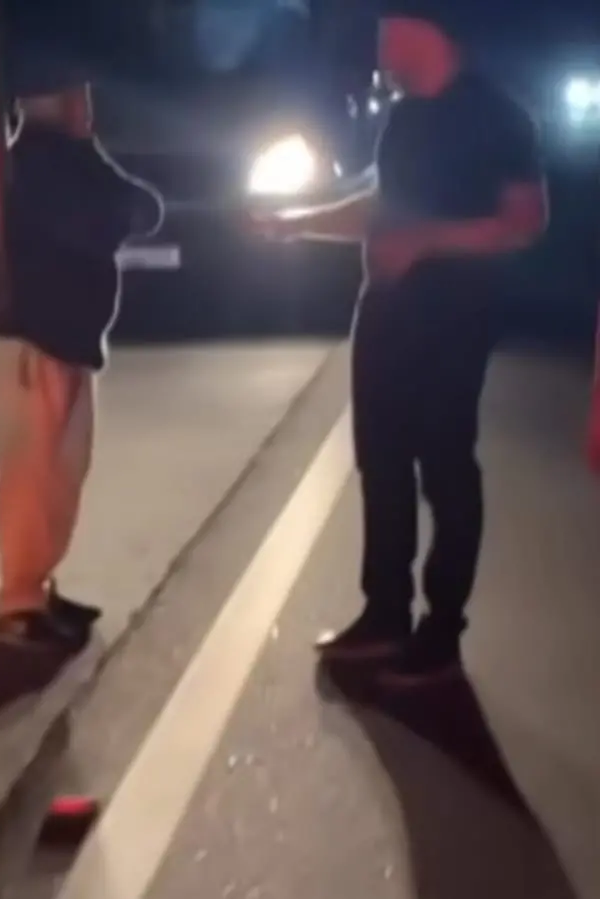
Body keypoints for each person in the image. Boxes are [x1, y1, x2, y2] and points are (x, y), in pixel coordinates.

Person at [252, 1, 547, 686]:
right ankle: (384, 615)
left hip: (455, 317)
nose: (377, 45)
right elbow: (381, 207)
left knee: (445, 467)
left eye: (386, 30)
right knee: (380, 464)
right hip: (385, 311)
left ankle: (441, 629)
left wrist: (426, 241)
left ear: (423, 28)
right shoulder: (406, 115)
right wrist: (298, 223)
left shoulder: (499, 115)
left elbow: (526, 221)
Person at [0, 75, 164, 692]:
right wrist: (113, 197)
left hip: (61, 341)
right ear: (63, 103)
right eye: (80, 96)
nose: (89, 106)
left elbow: (141, 208)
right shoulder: (38, 165)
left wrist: (100, 173)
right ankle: (17, 607)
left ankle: (37, 591)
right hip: (35, 343)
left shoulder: (66, 159)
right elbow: (116, 216)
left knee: (60, 471)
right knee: (33, 474)